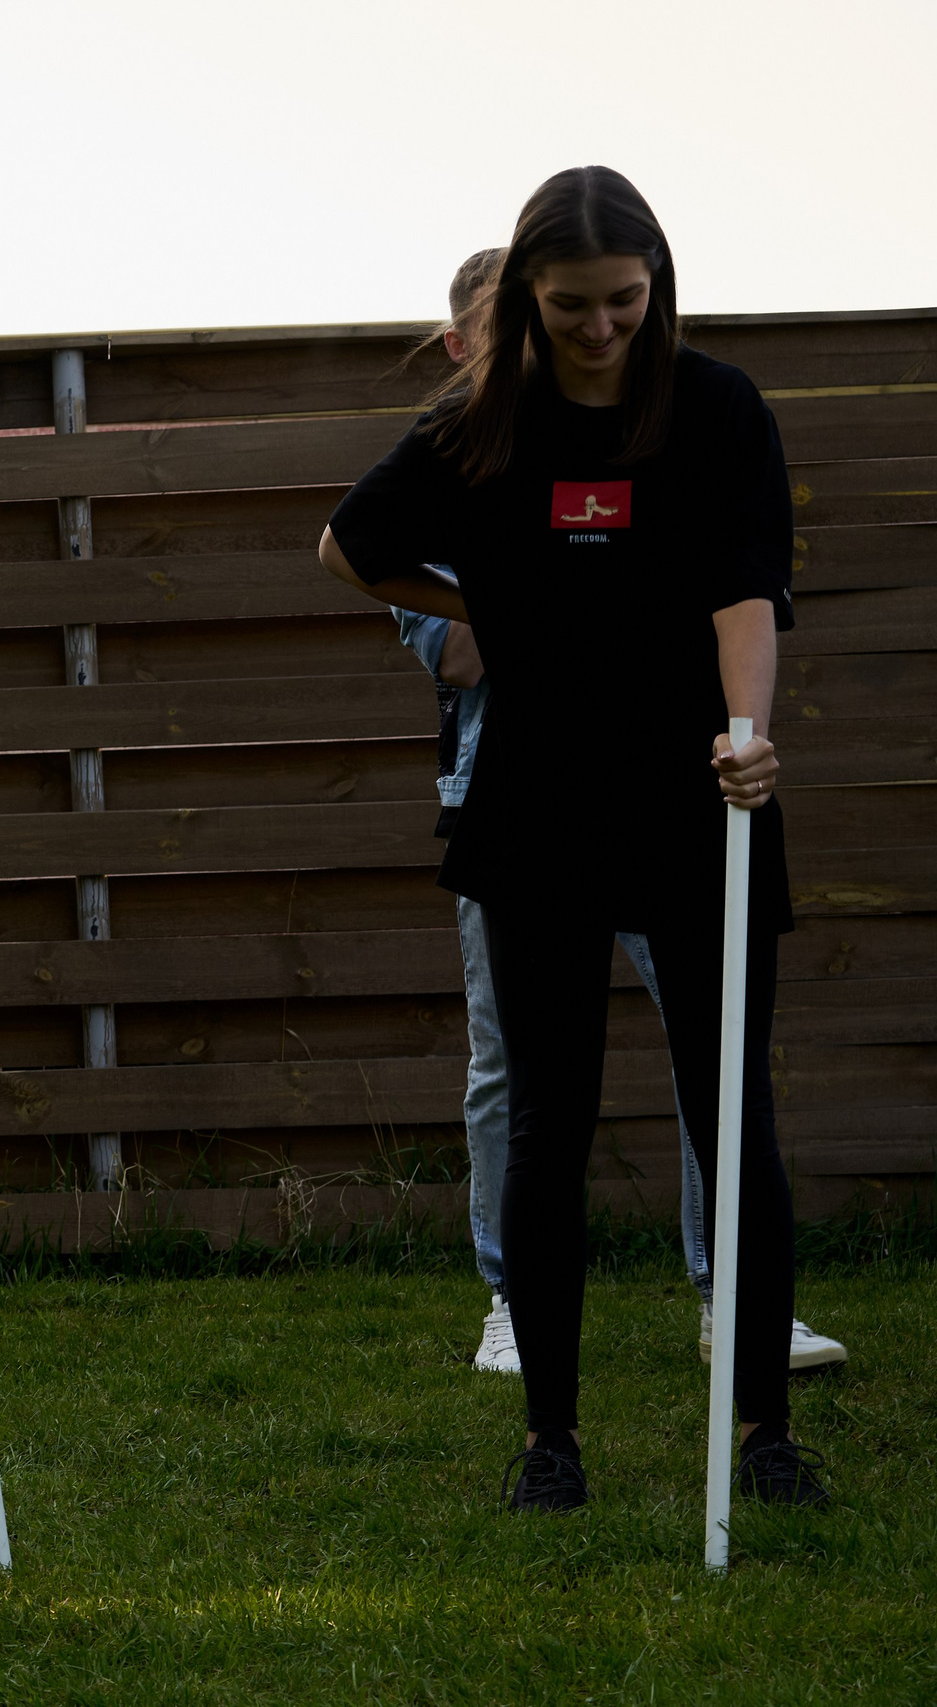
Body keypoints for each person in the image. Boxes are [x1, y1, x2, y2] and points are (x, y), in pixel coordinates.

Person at [321, 168, 829, 1513]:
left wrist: (746, 729)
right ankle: (553, 1438)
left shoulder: (716, 410)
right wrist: (491, 602)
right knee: (547, 1119)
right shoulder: (482, 425)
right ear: (529, 303)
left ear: (655, 286)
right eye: (570, 307)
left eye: (622, 301)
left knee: (735, 1111)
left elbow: (746, 593)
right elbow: (347, 545)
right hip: (538, 798)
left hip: (698, 792)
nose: (600, 327)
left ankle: (765, 1427)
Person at [394, 252, 846, 1381]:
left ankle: (726, 1299)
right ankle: (511, 1297)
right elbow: (456, 653)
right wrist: (542, 570)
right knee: (520, 1074)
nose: (578, 340)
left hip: (659, 790)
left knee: (714, 1059)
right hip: (516, 806)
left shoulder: (667, 425)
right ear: (466, 346)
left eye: (610, 311)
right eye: (529, 325)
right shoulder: (456, 464)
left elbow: (720, 588)